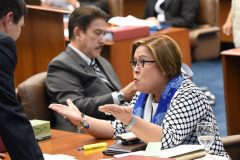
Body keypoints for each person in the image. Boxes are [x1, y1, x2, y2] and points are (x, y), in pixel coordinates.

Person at [49, 35, 229, 158]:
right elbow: (117, 129)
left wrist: (131, 121)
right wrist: (81, 119)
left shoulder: (187, 94)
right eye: (134, 62)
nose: (136, 68)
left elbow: (167, 139)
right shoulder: (144, 94)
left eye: (143, 62)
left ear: (165, 67)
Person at [46, 6, 136, 132]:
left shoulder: (102, 61)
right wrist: (121, 96)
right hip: (84, 135)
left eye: (104, 34)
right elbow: (74, 108)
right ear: (78, 33)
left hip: (116, 128)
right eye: (98, 33)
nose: (102, 40)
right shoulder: (60, 65)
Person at [0, 0, 44, 159]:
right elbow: (8, 113)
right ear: (9, 18)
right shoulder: (2, 43)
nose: (20, 32)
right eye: (21, 26)